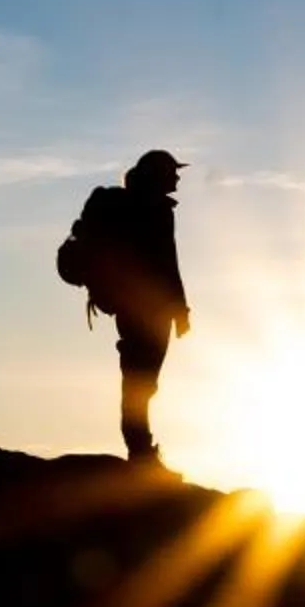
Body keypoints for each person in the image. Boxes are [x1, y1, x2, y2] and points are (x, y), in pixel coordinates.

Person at [97, 148, 192, 468]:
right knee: (142, 380)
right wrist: (181, 310)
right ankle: (140, 451)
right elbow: (168, 263)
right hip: (151, 311)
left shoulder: (131, 204)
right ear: (159, 174)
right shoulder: (156, 210)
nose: (177, 177)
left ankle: (140, 448)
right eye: (173, 171)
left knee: (138, 379)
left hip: (129, 307)